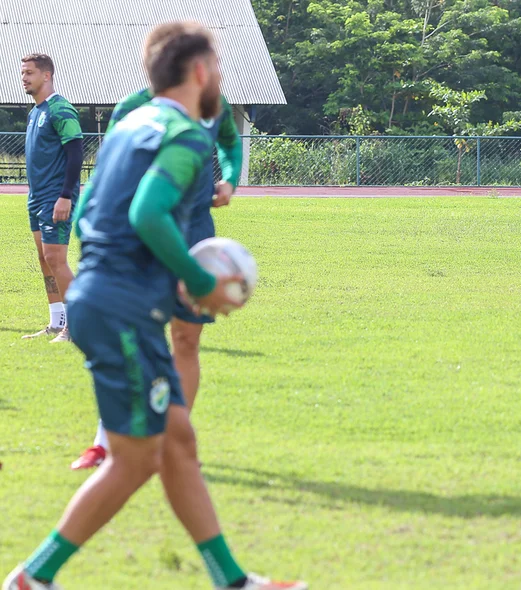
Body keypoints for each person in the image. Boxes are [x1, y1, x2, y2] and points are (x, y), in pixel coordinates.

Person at [3, 21, 306, 590]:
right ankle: (32, 578)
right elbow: (145, 214)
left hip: (107, 297)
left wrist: (136, 276)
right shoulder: (187, 135)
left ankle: (233, 581)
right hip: (120, 309)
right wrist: (197, 278)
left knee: (177, 443)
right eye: (215, 66)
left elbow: (94, 209)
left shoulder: (131, 123)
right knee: (137, 459)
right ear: (199, 72)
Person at [71, 87, 242, 470]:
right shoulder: (132, 107)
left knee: (185, 339)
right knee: (125, 339)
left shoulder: (216, 107)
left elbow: (230, 143)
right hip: (139, 239)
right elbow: (107, 175)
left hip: (195, 234)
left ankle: (173, 442)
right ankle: (104, 442)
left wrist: (229, 179)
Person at [20, 53, 84, 342]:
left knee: (56, 259)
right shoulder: (35, 112)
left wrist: (65, 196)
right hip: (36, 198)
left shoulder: (61, 109)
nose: (24, 78)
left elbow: (76, 153)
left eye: (30, 73)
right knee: (44, 259)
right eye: (23, 73)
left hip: (55, 197)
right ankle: (56, 322)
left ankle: (75, 327)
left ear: (47, 75)